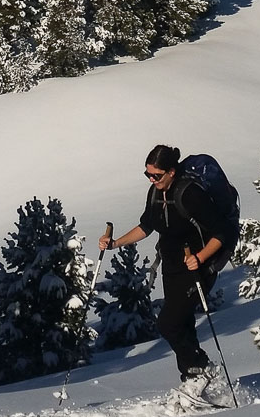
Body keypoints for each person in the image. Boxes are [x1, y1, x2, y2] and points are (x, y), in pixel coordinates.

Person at [98, 145, 235, 396]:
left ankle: (202, 368)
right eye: (148, 175)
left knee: (168, 324)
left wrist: (200, 257)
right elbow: (146, 226)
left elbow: (222, 233)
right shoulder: (155, 193)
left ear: (171, 171)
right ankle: (193, 378)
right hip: (172, 268)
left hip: (197, 269)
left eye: (157, 175)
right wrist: (115, 243)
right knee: (182, 322)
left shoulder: (191, 193)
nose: (152, 179)